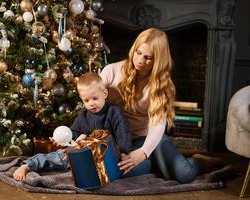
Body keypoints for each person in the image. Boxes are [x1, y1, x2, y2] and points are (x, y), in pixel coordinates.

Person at [100, 27, 224, 183]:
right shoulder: (111, 71)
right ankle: (156, 163)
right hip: (120, 139)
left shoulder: (160, 84)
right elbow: (93, 105)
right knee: (114, 171)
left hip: (150, 138)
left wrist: (143, 152)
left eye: (148, 57)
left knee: (183, 174)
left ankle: (201, 161)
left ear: (157, 60)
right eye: (138, 53)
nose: (140, 61)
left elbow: (157, 125)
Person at [13, 72, 132, 181]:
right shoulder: (84, 116)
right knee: (60, 157)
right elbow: (73, 133)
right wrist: (62, 140)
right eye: (86, 100)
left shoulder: (113, 112)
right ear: (82, 100)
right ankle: (28, 165)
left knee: (116, 169)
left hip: (106, 155)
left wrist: (123, 152)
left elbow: (123, 133)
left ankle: (87, 172)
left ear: (105, 93)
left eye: (95, 98)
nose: (91, 103)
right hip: (84, 153)